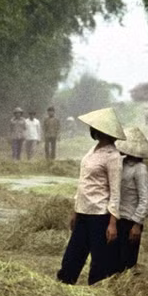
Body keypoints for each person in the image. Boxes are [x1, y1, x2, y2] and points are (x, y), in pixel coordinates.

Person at [57, 107, 124, 286]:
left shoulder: (113, 156)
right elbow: (83, 182)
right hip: (83, 212)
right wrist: (75, 210)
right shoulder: (92, 150)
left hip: (100, 215)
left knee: (99, 261)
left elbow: (116, 191)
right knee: (72, 256)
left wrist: (112, 223)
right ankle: (63, 287)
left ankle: (96, 293)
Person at [115, 127, 148, 273]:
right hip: (118, 217)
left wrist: (137, 224)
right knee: (115, 260)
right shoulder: (121, 163)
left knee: (127, 261)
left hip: (130, 220)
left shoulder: (140, 169)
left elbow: (144, 198)